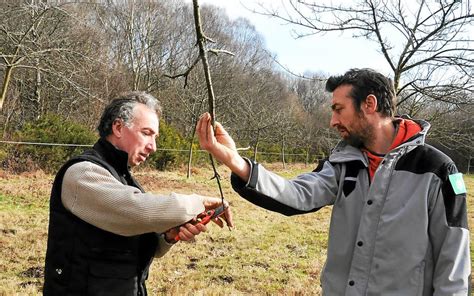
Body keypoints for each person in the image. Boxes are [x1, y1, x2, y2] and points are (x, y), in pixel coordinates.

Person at [197, 68, 470, 295]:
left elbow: (453, 261)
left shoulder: (438, 170)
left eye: (339, 109)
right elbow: (296, 195)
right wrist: (234, 160)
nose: (332, 121)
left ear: (369, 105)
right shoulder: (342, 162)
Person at [43, 91, 233, 295]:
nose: (153, 147)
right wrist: (199, 202)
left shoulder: (122, 178)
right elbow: (139, 210)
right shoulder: (82, 174)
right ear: (118, 127)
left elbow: (137, 237)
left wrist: (168, 236)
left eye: (155, 137)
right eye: (147, 133)